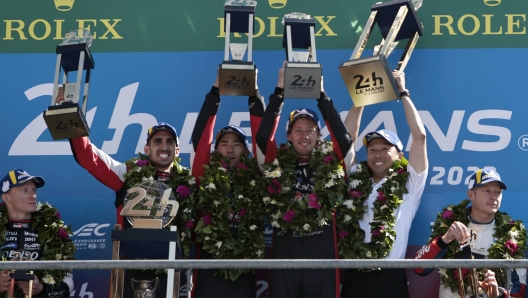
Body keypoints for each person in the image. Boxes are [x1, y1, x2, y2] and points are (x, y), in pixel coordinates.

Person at [58, 88, 196, 297]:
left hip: (175, 273)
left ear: (177, 151)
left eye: (170, 142)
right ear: (147, 149)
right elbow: (88, 156)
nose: (164, 146)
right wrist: (70, 113)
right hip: (129, 273)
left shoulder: (190, 183)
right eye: (157, 141)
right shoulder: (127, 174)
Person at [254, 62, 354, 298]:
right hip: (285, 252)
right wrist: (279, 92)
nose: (304, 135)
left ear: (319, 136)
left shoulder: (333, 163)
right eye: (298, 130)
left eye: (310, 129)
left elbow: (345, 141)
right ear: (288, 135)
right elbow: (261, 138)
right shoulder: (275, 163)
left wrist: (321, 96)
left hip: (323, 253)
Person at [339, 70, 428, 298]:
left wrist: (403, 93)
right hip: (355, 276)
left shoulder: (409, 183)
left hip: (390, 277)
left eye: (385, 149)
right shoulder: (354, 179)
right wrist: (361, 96)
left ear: (399, 155)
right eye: (372, 150)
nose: (377, 154)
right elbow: (346, 138)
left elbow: (420, 137)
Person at [190, 70, 265, 298]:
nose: (230, 149)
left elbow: (263, 138)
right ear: (215, 150)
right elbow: (201, 136)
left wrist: (254, 96)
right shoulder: (204, 175)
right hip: (209, 268)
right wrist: (216, 91)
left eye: (236, 144)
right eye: (224, 144)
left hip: (244, 267)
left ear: (246, 151)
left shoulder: (258, 178)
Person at [414, 168, 526, 298]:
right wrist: (445, 239)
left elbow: (519, 288)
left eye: (498, 192)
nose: (494, 197)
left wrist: (498, 293)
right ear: (471, 194)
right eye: (487, 191)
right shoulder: (450, 225)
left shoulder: (511, 235)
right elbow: (419, 268)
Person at [0, 169, 75, 297]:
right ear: (6, 198)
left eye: (34, 190)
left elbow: (69, 284)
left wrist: (42, 288)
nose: (33, 196)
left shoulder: (52, 228)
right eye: (25, 191)